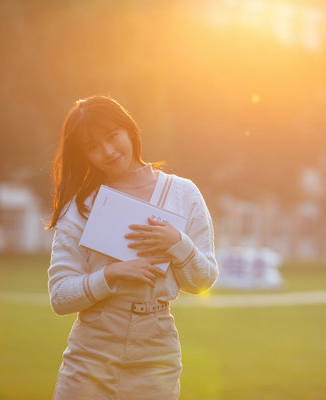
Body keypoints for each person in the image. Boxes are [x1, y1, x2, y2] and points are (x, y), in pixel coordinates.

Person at [46, 95, 218, 399]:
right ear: (83, 155)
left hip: (156, 350)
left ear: (130, 130)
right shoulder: (81, 206)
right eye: (92, 147)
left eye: (112, 136)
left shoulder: (182, 192)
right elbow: (60, 296)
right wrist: (111, 274)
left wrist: (178, 243)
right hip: (92, 351)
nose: (107, 151)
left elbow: (203, 281)